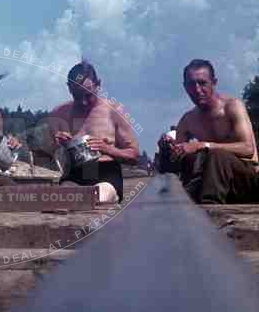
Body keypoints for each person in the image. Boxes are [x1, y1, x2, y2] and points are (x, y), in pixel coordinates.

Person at [158, 59, 259, 204]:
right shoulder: (188, 120)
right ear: (185, 87)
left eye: (202, 83)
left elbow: (248, 149)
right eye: (191, 84)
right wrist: (167, 149)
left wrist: (204, 145)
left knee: (216, 155)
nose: (197, 90)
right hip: (216, 184)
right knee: (191, 159)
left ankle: (210, 207)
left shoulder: (232, 107)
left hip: (246, 181)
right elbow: (177, 159)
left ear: (214, 82)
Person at [45, 61, 140, 203]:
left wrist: (107, 149)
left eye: (88, 95)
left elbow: (134, 155)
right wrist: (56, 144)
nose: (83, 102)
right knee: (62, 199)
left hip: (105, 175)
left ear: (98, 85)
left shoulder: (114, 111)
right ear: (69, 88)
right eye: (77, 96)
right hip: (73, 175)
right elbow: (43, 156)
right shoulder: (59, 113)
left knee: (96, 198)